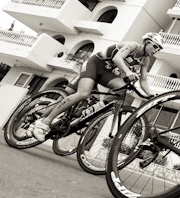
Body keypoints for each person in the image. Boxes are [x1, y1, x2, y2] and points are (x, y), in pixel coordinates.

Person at [30, 32, 162, 142]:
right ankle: (44, 122)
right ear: (147, 42)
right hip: (94, 64)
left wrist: (150, 95)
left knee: (123, 88)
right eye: (155, 46)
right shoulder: (133, 46)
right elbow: (117, 58)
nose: (156, 50)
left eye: (158, 49)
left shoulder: (145, 60)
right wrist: (128, 72)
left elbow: (144, 80)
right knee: (81, 93)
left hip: (106, 72)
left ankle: (95, 108)